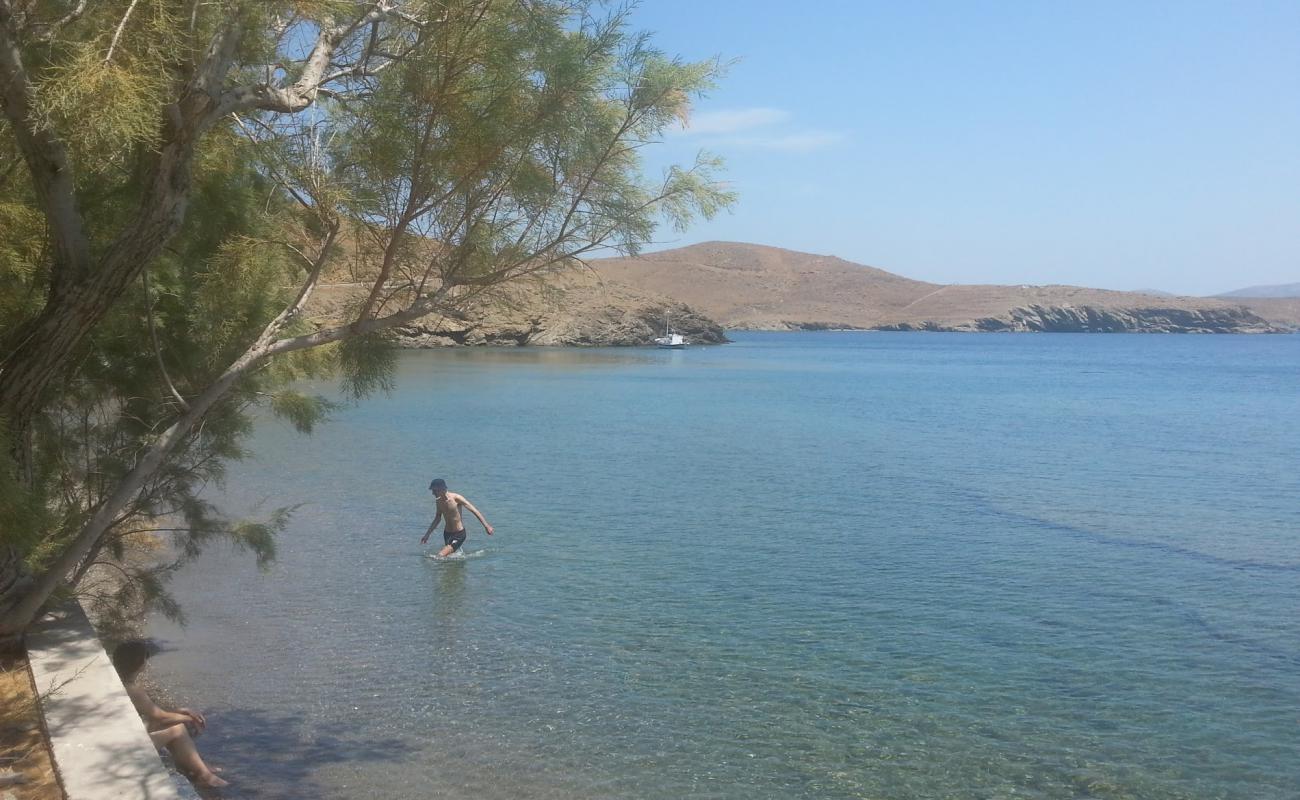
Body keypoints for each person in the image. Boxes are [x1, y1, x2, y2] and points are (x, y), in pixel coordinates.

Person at [111, 641, 228, 789]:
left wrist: (181, 711)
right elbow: (160, 716)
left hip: (122, 736)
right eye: (146, 657)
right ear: (140, 662)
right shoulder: (133, 690)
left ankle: (195, 764)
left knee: (170, 724)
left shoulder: (122, 681)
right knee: (177, 729)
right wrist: (191, 718)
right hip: (126, 747)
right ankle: (205, 776)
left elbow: (155, 713)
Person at [420, 478, 493, 557]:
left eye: (434, 490)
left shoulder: (456, 498)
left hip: (459, 534)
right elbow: (437, 518)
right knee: (448, 559)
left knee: (440, 555)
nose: (433, 493)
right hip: (447, 534)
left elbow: (474, 510)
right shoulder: (438, 501)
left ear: (441, 489)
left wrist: (486, 526)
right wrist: (427, 535)